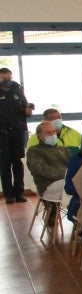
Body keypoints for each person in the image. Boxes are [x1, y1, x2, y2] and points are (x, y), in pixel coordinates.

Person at [0, 66, 30, 202]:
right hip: (2, 134)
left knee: (17, 163)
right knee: (4, 164)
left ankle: (19, 192)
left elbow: (25, 106)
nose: (8, 81)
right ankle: (9, 194)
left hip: (18, 132)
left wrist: (28, 109)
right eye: (4, 78)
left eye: (9, 78)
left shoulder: (17, 89)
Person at [25, 120, 70, 196]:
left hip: (66, 182)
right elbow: (44, 170)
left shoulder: (63, 149)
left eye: (54, 131)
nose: (53, 135)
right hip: (48, 187)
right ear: (39, 135)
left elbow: (73, 166)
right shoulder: (34, 151)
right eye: (48, 133)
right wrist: (68, 173)